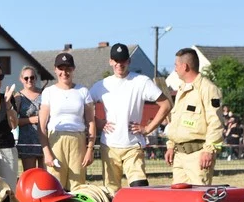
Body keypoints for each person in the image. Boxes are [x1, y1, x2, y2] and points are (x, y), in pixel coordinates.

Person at [89, 43, 171, 192]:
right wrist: (99, 122)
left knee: (139, 189)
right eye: (116, 60)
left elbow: (165, 105)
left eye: (123, 60)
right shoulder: (102, 85)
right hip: (109, 146)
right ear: (110, 61)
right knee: (111, 193)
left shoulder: (141, 81)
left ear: (129, 61)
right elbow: (84, 108)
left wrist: (147, 128)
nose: (119, 64)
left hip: (133, 146)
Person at [164, 48, 224, 185]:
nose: (175, 69)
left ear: (185, 66)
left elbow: (215, 122)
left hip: (198, 154)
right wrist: (171, 146)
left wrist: (209, 150)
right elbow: (176, 122)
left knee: (199, 198)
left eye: (176, 65)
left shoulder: (208, 89)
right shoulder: (181, 89)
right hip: (179, 155)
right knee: (178, 199)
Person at [38, 52, 96, 190]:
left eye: (68, 69)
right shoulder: (49, 92)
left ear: (73, 69)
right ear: (55, 69)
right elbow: (42, 125)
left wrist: (90, 149)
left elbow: (91, 122)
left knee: (77, 184)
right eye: (61, 68)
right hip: (56, 139)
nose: (64, 72)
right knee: (55, 184)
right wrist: (47, 152)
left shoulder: (83, 91)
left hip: (78, 139)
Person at [14, 66, 43, 171]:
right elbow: (13, 121)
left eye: (32, 77)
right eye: (26, 78)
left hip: (44, 140)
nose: (29, 80)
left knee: (45, 176)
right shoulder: (18, 97)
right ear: (21, 79)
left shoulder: (44, 94)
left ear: (36, 78)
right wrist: (30, 120)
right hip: (27, 141)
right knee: (30, 175)